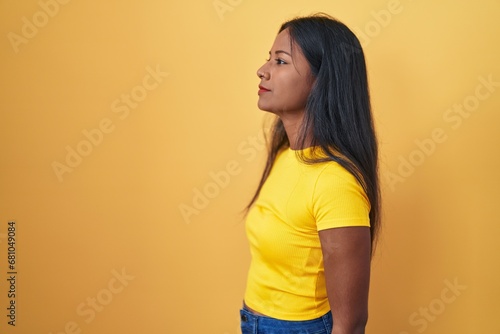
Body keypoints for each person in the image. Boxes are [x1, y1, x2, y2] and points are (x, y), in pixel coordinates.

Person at [241, 13, 381, 334]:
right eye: (269, 59)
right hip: (254, 322)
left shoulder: (335, 182)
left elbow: (350, 323)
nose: (263, 71)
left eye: (280, 61)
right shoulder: (283, 155)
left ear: (321, 80)